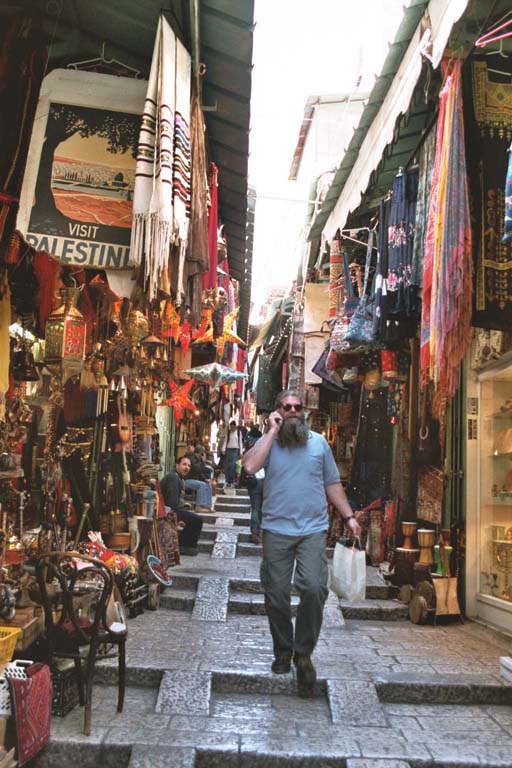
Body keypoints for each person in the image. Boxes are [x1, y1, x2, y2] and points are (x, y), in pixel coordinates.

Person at [243, 389, 361, 698]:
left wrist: (348, 516)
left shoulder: (319, 443)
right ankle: (283, 651)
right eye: (287, 407)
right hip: (276, 529)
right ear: (277, 411)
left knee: (314, 587)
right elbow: (250, 468)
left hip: (312, 529)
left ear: (304, 411)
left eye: (297, 407)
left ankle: (303, 653)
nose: (293, 411)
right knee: (276, 593)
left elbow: (332, 483)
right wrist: (271, 431)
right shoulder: (269, 442)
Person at [160, 456, 204, 556]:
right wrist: (177, 519)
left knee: (193, 518)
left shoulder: (179, 478)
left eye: (189, 466)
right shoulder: (173, 478)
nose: (187, 467)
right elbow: (172, 502)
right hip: (167, 511)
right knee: (197, 520)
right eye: (184, 464)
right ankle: (185, 546)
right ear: (177, 465)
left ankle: (185, 544)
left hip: (171, 509)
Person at [183, 445, 214, 513]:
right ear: (200, 454)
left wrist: (205, 479)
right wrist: (203, 461)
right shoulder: (191, 458)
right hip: (185, 480)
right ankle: (199, 506)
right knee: (201, 485)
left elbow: (200, 473)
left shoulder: (196, 459)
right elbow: (196, 469)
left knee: (208, 484)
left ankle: (207, 506)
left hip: (192, 480)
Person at [221, 420, 244, 487]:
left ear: (235, 426)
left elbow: (240, 442)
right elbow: (225, 441)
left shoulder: (238, 433)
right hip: (228, 450)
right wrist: (223, 449)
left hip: (236, 450)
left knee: (233, 465)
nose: (232, 428)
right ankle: (227, 480)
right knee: (227, 465)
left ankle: (232, 480)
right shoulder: (228, 433)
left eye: (233, 427)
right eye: (231, 427)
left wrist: (241, 452)